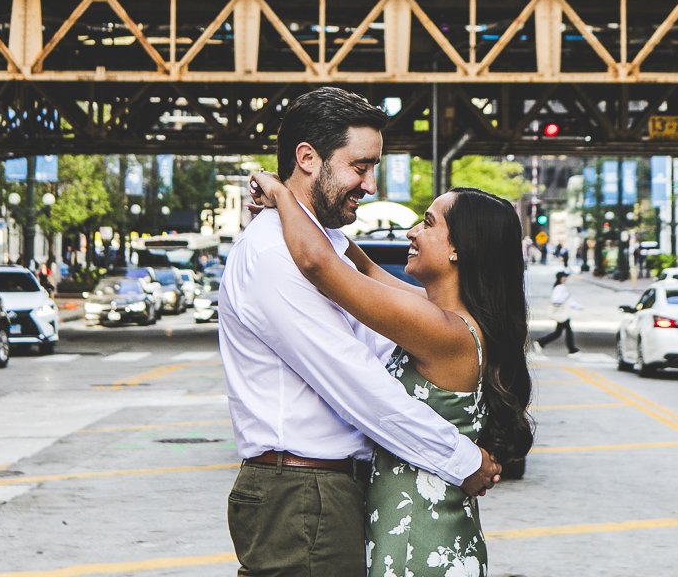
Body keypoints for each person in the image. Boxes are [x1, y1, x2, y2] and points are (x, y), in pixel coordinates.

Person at [217, 87, 503, 577]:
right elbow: (357, 385)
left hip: (330, 492)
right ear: (307, 158)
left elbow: (375, 326)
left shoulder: (321, 245)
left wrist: (281, 194)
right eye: (360, 166)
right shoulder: (276, 255)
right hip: (303, 495)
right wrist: (460, 458)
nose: (371, 186)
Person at [248, 170, 532, 577]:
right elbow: (364, 270)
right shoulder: (446, 319)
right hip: (419, 532)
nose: (412, 232)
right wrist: (312, 208)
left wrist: (280, 193)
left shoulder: (443, 330)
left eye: (429, 223)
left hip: (420, 542)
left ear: (458, 250)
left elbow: (320, 265)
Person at [535, 271, 581, 354]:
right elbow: (555, 300)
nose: (565, 278)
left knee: (558, 333)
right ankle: (572, 349)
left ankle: (540, 342)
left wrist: (578, 307)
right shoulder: (558, 288)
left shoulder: (562, 287)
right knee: (568, 330)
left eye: (566, 277)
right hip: (561, 314)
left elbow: (569, 301)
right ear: (560, 277)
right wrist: (564, 299)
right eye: (564, 276)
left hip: (562, 314)